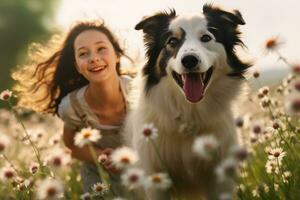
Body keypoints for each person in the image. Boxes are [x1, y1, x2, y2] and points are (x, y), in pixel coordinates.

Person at [12, 20, 133, 196]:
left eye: (101, 49)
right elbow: (71, 145)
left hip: (140, 170)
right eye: (83, 53)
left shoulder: (139, 92)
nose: (93, 58)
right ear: (77, 66)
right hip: (98, 177)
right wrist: (101, 156)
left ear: (117, 55)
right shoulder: (72, 106)